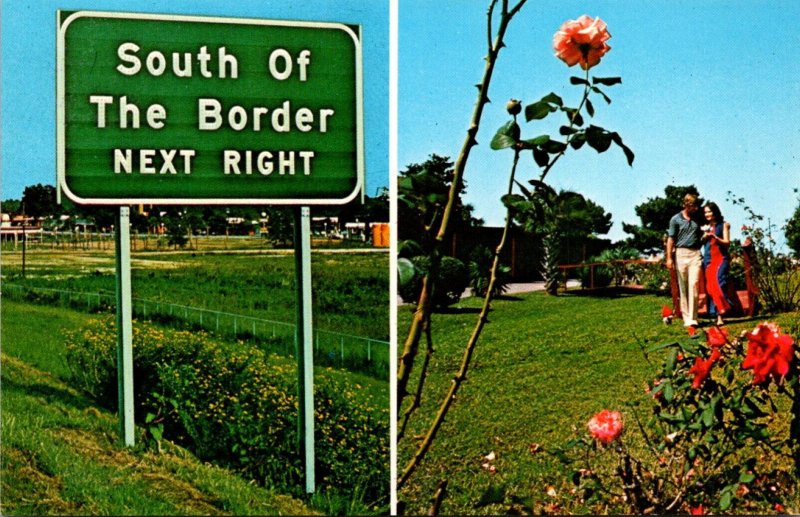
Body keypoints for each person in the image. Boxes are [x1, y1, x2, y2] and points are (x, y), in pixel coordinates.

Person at [666, 194, 703, 328]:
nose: (696, 208)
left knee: (694, 284)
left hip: (695, 253)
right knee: (683, 287)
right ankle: (686, 317)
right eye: (694, 205)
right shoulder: (675, 219)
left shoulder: (698, 219)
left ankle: (693, 317)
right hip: (681, 253)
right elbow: (671, 239)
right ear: (687, 205)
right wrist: (669, 258)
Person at [701, 202, 739, 326]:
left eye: (709, 211)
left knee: (719, 283)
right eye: (705, 212)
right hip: (708, 259)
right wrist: (704, 237)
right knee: (711, 287)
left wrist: (715, 237)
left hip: (720, 258)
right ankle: (715, 314)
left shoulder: (724, 225)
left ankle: (722, 313)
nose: (707, 214)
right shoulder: (706, 227)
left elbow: (727, 243)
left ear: (715, 212)